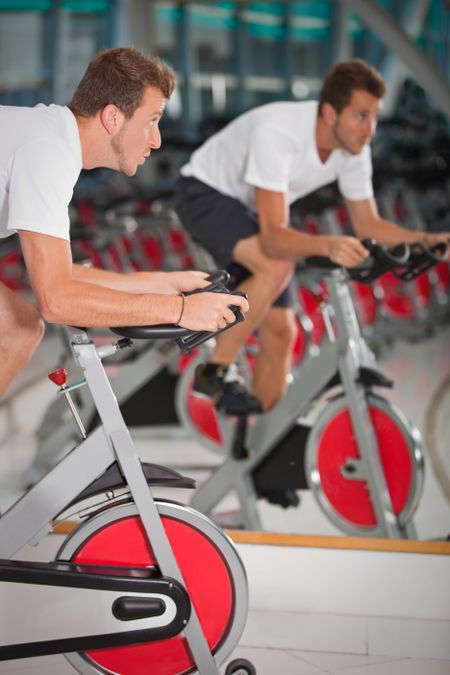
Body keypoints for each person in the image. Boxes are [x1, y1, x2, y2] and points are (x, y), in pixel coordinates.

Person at [174, 58, 450, 414]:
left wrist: (422, 240)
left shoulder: (353, 148)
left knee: (281, 333)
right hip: (203, 192)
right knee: (277, 267)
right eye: (361, 116)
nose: (370, 130)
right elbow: (274, 239)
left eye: (374, 117)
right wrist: (329, 244)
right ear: (330, 114)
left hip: (248, 211)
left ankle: (261, 439)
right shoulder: (280, 134)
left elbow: (368, 224)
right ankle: (214, 371)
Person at [0, 47, 249, 398]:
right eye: (152, 120)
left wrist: (163, 283)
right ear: (113, 118)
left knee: (18, 329)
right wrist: (180, 310)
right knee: (17, 330)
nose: (157, 139)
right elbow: (56, 298)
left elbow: (60, 274)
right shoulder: (47, 151)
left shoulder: (53, 141)